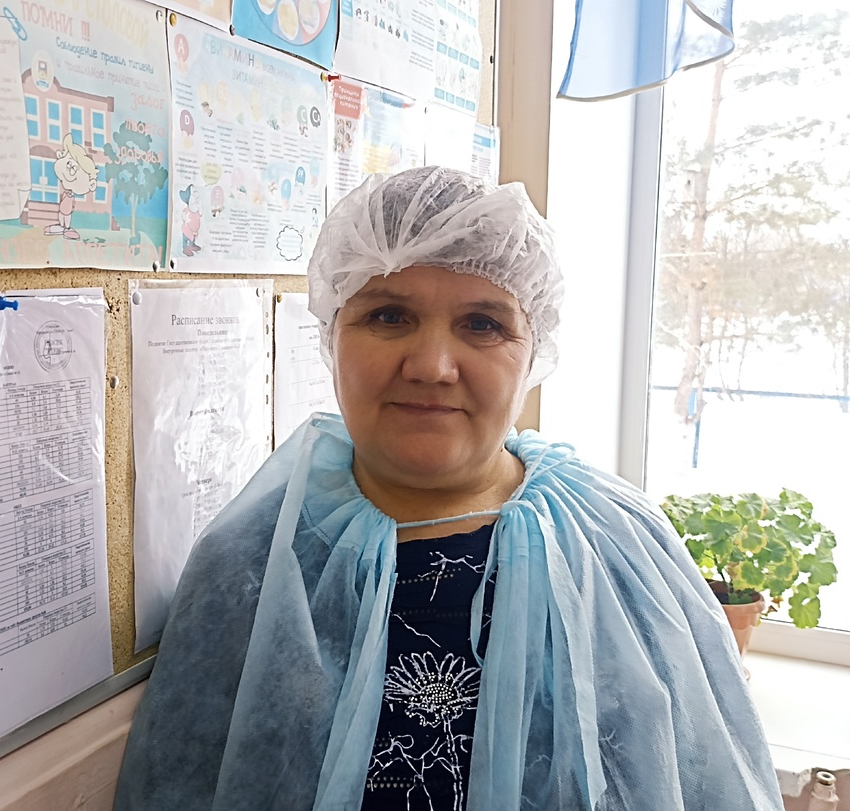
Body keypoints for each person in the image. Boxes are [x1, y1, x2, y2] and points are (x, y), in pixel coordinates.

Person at [113, 166, 783, 810]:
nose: (433, 366)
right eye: (388, 316)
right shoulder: (252, 562)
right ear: (332, 336)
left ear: (533, 350)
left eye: (483, 324)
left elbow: (706, 779)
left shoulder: (619, 545)